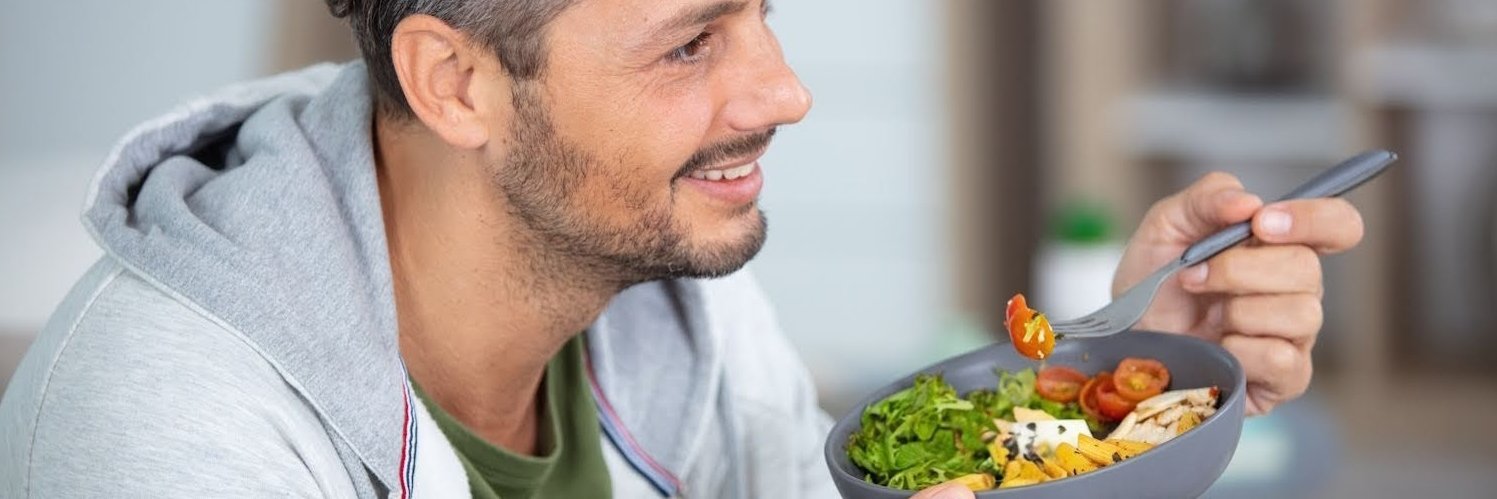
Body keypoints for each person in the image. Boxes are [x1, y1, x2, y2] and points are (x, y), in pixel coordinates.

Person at [0, 1, 1364, 497]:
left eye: (762, 12)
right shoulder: (166, 435)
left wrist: (1121, 388)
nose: (780, 91)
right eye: (693, 40)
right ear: (458, 83)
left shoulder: (666, 306)